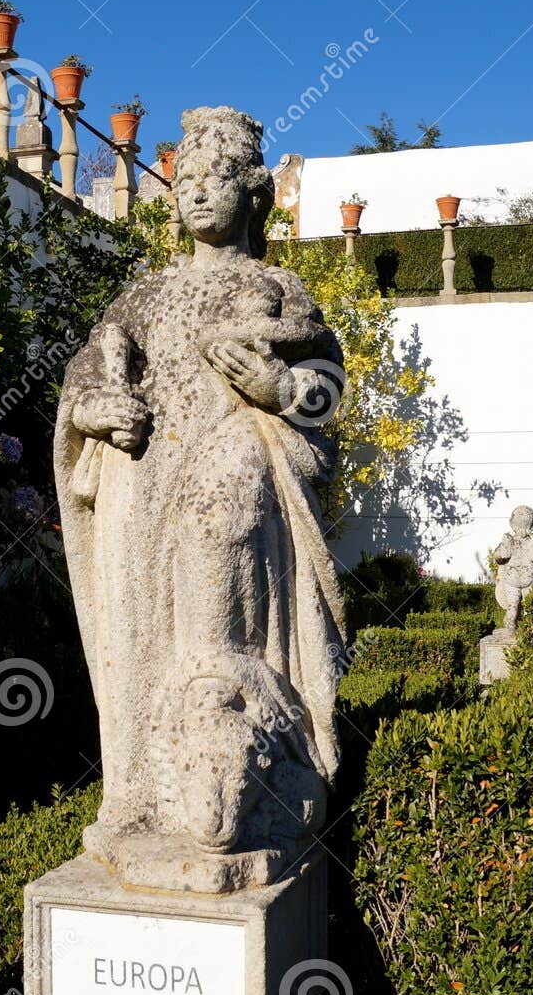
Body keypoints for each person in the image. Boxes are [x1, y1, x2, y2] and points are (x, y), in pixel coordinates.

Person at [53, 107, 346, 887]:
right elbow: (86, 377)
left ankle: (238, 792)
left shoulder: (279, 292)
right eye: (186, 183)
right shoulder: (141, 299)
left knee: (219, 656)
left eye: (218, 180)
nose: (198, 196)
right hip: (138, 497)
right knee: (138, 646)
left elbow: (328, 390)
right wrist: (91, 410)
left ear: (256, 194)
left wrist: (281, 386)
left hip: (228, 499)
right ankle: (138, 798)